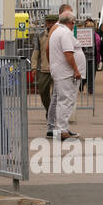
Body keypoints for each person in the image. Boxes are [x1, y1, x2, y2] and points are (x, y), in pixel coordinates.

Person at [48, 8, 81, 139]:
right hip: (65, 72)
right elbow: (68, 53)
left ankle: (63, 128)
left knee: (64, 100)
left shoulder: (57, 31)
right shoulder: (65, 33)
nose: (74, 25)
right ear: (71, 22)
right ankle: (62, 130)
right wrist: (76, 70)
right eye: (74, 22)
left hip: (59, 70)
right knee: (65, 101)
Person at [30, 16, 57, 132]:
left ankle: (54, 117)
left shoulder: (59, 34)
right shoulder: (40, 36)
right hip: (45, 69)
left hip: (58, 69)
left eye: (52, 22)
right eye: (48, 22)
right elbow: (36, 52)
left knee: (58, 95)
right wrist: (34, 67)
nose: (50, 24)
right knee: (42, 91)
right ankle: (49, 110)